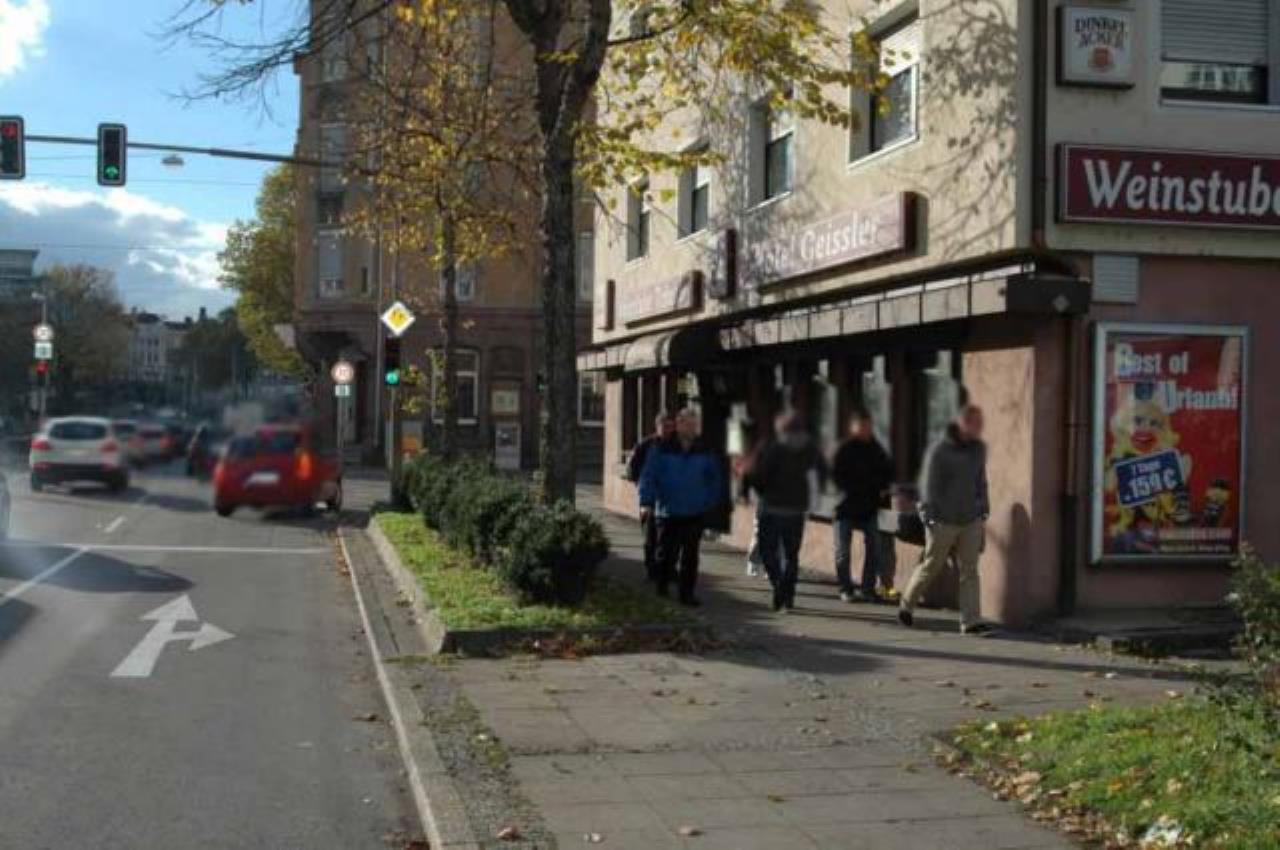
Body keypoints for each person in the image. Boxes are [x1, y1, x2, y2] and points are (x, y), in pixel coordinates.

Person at [898, 404, 993, 635]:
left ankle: (970, 621)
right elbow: (926, 487)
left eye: (981, 423)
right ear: (963, 423)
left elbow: (981, 481)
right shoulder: (939, 450)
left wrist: (983, 509)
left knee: (970, 570)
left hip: (970, 519)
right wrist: (928, 518)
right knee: (932, 565)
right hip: (942, 520)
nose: (980, 428)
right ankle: (906, 604)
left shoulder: (978, 449)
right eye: (976, 423)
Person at [638, 408, 724, 606]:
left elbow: (714, 479)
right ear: (679, 425)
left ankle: (687, 594)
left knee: (690, 556)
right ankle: (662, 584)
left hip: (694, 511)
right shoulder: (662, 448)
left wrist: (710, 502)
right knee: (667, 554)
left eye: (695, 424)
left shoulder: (705, 449)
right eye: (688, 424)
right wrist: (646, 502)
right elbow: (648, 476)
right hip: (668, 511)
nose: (692, 428)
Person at [744, 412, 828, 612]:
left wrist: (759, 491)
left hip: (771, 508)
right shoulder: (811, 449)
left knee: (768, 551)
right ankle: (788, 596)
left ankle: (779, 587)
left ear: (780, 428)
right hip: (795, 510)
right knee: (791, 555)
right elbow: (821, 474)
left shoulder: (771, 447)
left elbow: (758, 475)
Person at [831, 409, 894, 603]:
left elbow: (887, 473)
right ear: (853, 427)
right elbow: (834, 476)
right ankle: (846, 588)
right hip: (844, 507)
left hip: (869, 507)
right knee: (843, 552)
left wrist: (882, 489)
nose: (866, 430)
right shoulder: (844, 449)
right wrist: (847, 489)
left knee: (874, 550)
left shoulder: (876, 449)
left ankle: (867, 589)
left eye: (868, 426)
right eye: (862, 426)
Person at [628, 411, 676, 581]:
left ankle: (668, 569)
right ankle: (651, 570)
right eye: (665, 426)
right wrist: (641, 488)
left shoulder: (676, 446)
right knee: (650, 536)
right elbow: (632, 469)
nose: (668, 430)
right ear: (658, 426)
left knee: (670, 537)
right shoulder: (645, 445)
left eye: (670, 426)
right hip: (648, 499)